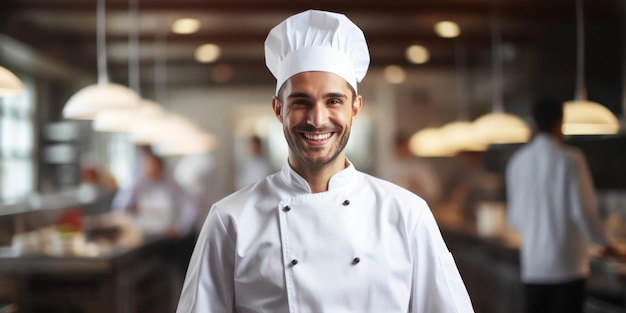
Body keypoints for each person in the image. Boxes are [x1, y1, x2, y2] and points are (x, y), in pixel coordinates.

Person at [177, 9, 473, 313]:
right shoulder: (230, 221)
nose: (317, 120)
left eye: (333, 101)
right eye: (301, 102)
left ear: (355, 108)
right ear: (278, 109)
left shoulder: (407, 215)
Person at [505, 97, 625, 313]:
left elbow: (515, 219)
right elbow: (584, 213)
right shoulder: (571, 159)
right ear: (560, 122)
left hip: (533, 266)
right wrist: (605, 246)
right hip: (567, 267)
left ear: (533, 123)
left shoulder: (517, 162)